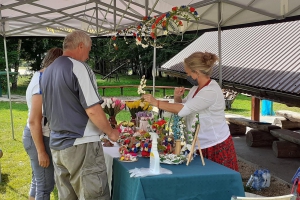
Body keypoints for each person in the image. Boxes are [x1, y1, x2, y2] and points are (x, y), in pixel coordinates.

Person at [40, 30, 119, 200]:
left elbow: (46, 112)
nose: (88, 56)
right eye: (89, 50)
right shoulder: (78, 67)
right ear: (81, 46)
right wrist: (111, 133)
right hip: (81, 145)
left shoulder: (47, 72)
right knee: (94, 195)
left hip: (58, 146)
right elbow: (92, 108)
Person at [143, 51, 239, 171]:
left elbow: (184, 109)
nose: (187, 75)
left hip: (214, 144)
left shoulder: (211, 91)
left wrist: (156, 103)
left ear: (196, 72)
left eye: (188, 73)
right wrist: (177, 97)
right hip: (199, 143)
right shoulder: (196, 89)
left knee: (217, 179)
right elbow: (186, 106)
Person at [23, 47, 63, 200]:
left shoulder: (40, 76)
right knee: (45, 187)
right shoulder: (41, 82)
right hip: (38, 138)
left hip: (34, 136)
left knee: (38, 182)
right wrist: (41, 151)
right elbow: (34, 121)